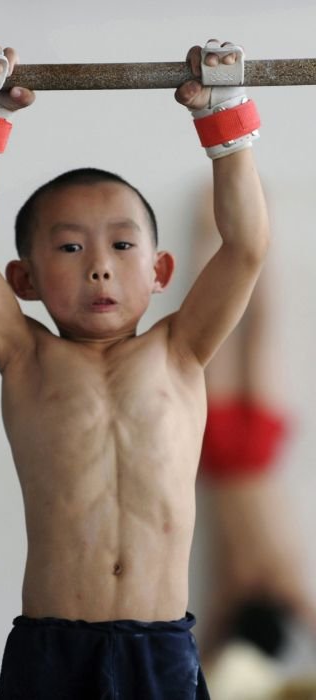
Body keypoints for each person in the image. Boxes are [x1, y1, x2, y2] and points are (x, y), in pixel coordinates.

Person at [0, 39, 267, 698]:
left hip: (159, 645)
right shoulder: (25, 358)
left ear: (160, 271)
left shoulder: (182, 350)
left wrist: (225, 118)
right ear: (23, 278)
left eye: (121, 244)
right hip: (51, 646)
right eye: (69, 246)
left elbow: (246, 246)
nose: (99, 264)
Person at [193, 186, 316, 697]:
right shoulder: (238, 591)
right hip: (226, 457)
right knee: (230, 332)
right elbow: (203, 654)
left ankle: (232, 230)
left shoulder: (278, 588)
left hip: (247, 455)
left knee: (247, 331)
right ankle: (232, 229)